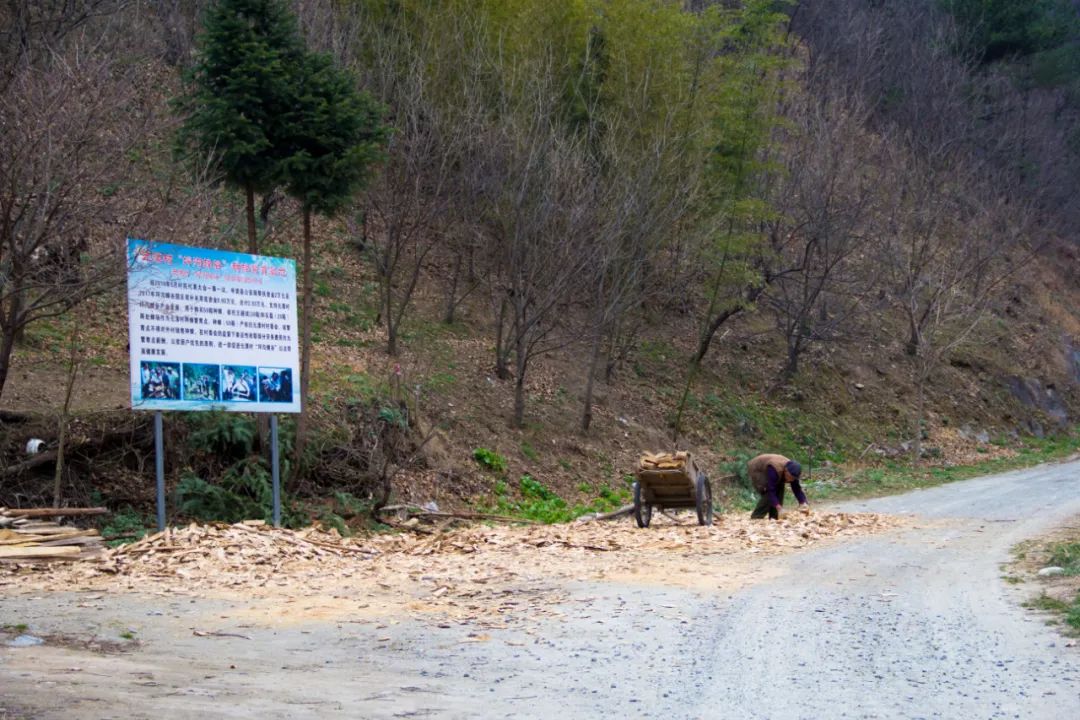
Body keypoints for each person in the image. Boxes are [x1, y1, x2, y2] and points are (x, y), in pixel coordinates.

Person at [748, 453, 810, 520]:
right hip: (758, 469)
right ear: (786, 470)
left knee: (780, 488)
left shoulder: (793, 473)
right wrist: (779, 508)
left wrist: (803, 503)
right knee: (768, 493)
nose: (790, 480)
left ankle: (774, 517)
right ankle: (756, 516)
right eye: (790, 477)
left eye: (793, 478)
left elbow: (797, 489)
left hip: (772, 469)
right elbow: (771, 490)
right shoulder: (774, 469)